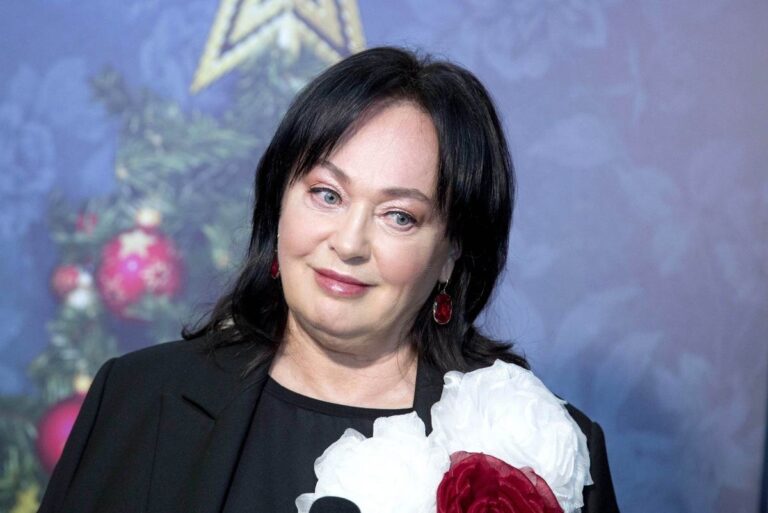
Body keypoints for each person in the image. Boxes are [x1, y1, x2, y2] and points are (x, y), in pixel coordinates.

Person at [38, 47, 620, 513]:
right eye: (326, 194)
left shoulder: (543, 446)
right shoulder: (136, 398)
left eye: (399, 216)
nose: (348, 242)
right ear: (279, 203)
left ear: (450, 255)